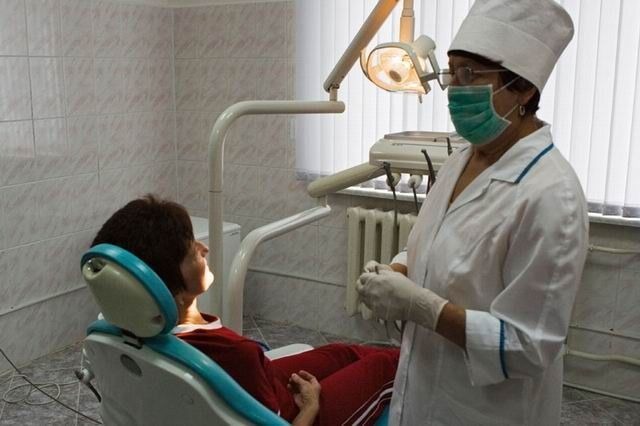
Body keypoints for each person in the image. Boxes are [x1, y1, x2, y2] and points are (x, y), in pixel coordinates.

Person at [357, 0, 588, 424]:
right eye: (452, 73)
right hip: (423, 387)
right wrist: (398, 272)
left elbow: (529, 345)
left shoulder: (552, 196)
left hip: (487, 410)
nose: (455, 90)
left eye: (470, 74)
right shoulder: (462, 159)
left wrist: (422, 307)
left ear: (523, 89)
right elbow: (438, 246)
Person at [92, 195, 398, 426]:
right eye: (192, 251)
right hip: (292, 413)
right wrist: (311, 406)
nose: (204, 249)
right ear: (167, 288)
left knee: (344, 353)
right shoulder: (234, 353)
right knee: (391, 366)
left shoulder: (118, 329)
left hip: (260, 384)